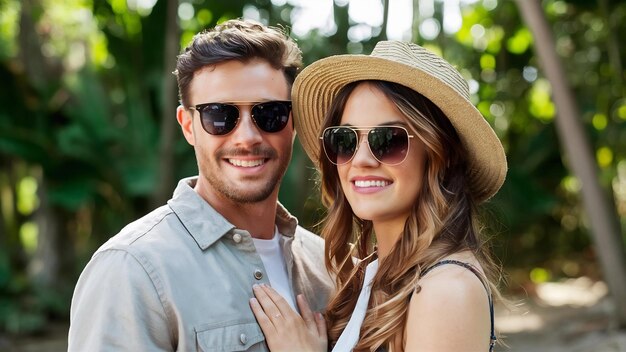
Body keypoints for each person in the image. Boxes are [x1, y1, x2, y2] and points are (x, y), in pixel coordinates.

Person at [68, 19, 334, 351]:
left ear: (293, 123)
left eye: (270, 114)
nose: (248, 137)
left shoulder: (328, 265)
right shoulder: (131, 269)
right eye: (220, 115)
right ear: (189, 126)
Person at [249, 40, 507, 351]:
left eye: (388, 140)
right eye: (345, 140)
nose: (361, 160)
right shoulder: (371, 275)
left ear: (443, 154)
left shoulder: (446, 289)